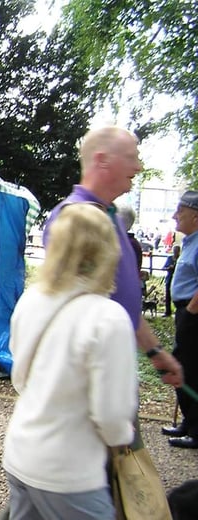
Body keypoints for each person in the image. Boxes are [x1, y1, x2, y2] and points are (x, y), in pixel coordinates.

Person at [3, 203, 137, 520]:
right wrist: (122, 439)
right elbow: (112, 414)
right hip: (70, 471)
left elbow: (19, 377)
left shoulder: (32, 299)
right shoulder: (108, 317)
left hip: (21, 451)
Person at [42, 127, 182, 395]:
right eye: (132, 157)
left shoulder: (112, 217)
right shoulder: (74, 220)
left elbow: (121, 297)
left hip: (112, 372)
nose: (139, 167)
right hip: (90, 383)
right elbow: (70, 316)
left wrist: (154, 351)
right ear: (102, 160)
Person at [163, 191, 198, 449]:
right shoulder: (190, 242)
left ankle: (196, 430)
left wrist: (192, 311)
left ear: (195, 217)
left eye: (181, 213)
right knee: (183, 366)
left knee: (189, 370)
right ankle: (189, 422)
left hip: (193, 314)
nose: (175, 216)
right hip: (185, 311)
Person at [163, 244, 181, 317]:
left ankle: (178, 311)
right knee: (167, 295)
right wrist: (168, 267)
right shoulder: (169, 258)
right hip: (169, 278)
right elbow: (164, 267)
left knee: (178, 296)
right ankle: (168, 311)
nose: (175, 252)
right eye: (174, 250)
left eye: (176, 251)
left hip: (178, 279)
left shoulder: (180, 259)